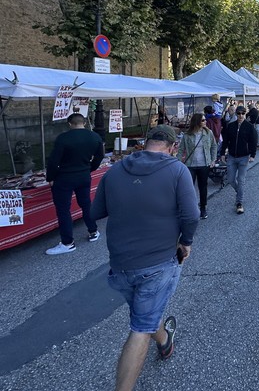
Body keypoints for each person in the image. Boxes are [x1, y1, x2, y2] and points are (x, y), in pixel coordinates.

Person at [91, 125, 199, 391]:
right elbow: (192, 215)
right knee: (141, 326)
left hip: (120, 262)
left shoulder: (115, 170)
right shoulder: (176, 170)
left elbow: (96, 211)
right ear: (173, 148)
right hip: (157, 261)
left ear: (146, 143)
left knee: (145, 312)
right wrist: (186, 242)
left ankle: (164, 341)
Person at [45, 113, 104, 255]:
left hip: (65, 177)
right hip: (84, 175)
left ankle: (68, 243)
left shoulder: (63, 138)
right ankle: (93, 231)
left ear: (70, 124)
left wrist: (50, 177)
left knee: (63, 210)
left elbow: (54, 161)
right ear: (83, 123)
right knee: (86, 204)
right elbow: (100, 156)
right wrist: (90, 168)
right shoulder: (95, 137)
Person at [177, 113, 217, 219]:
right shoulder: (187, 135)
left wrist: (213, 159)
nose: (205, 122)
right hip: (190, 165)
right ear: (197, 122)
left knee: (203, 187)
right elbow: (181, 149)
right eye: (203, 120)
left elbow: (214, 146)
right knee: (189, 188)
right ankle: (191, 208)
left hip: (204, 164)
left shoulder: (208, 133)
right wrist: (178, 162)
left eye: (205, 120)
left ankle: (203, 208)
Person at [220, 105, 258, 214]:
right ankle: (239, 192)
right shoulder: (230, 126)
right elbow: (226, 141)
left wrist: (253, 155)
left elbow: (253, 141)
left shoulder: (249, 127)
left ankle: (239, 203)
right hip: (232, 156)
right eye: (239, 113)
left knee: (241, 181)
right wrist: (222, 153)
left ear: (245, 114)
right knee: (230, 179)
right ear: (236, 114)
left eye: (243, 113)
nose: (241, 115)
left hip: (244, 157)